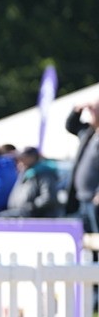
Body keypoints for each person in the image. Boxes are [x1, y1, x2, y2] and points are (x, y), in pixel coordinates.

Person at [0, 146, 62, 218]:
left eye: (23, 158)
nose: (20, 161)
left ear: (32, 158)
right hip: (22, 214)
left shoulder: (44, 174)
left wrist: (31, 206)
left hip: (36, 218)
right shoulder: (26, 173)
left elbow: (48, 198)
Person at [65, 97, 99, 233]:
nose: (92, 112)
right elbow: (71, 125)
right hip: (81, 199)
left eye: (96, 109)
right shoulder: (88, 133)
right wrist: (77, 109)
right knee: (86, 243)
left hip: (95, 201)